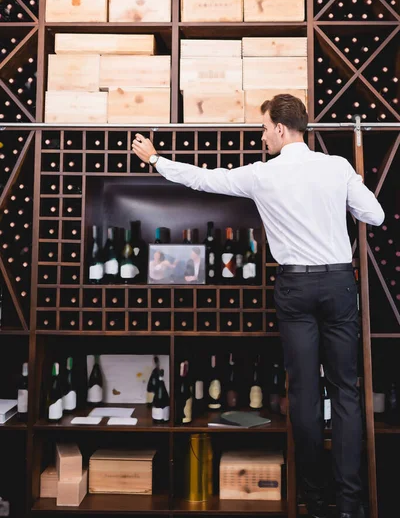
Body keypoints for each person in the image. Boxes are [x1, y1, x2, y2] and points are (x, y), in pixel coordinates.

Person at [132, 94, 384, 518]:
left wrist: (156, 159)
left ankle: (314, 499)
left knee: (304, 393)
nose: (262, 136)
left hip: (295, 288)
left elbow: (203, 179)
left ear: (282, 129)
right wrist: (343, 191)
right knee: (346, 391)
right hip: (339, 283)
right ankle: (349, 503)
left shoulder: (261, 175)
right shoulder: (337, 166)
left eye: (265, 128)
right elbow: (373, 216)